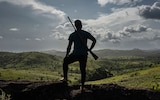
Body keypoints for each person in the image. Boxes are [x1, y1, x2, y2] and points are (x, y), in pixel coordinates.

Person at [62, 19, 96, 90]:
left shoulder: (72, 35)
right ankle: (82, 86)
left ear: (75, 25)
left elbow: (69, 46)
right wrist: (90, 49)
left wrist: (67, 55)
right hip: (83, 55)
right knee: (82, 70)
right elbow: (94, 40)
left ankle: (65, 79)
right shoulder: (85, 33)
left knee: (65, 62)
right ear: (81, 25)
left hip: (75, 54)